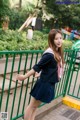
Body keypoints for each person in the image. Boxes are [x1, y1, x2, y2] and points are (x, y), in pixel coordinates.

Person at [16, 29, 64, 120]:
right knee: (32, 106)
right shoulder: (49, 54)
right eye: (56, 39)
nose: (59, 40)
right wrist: (24, 77)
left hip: (49, 83)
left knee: (35, 107)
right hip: (44, 83)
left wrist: (41, 73)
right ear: (51, 40)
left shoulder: (57, 52)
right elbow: (37, 66)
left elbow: (49, 67)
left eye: (60, 38)